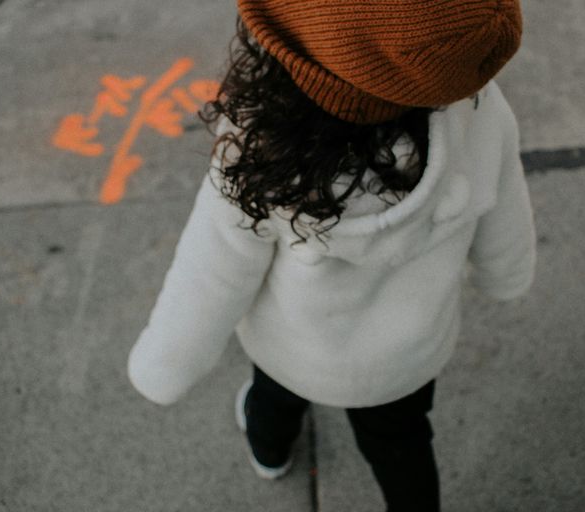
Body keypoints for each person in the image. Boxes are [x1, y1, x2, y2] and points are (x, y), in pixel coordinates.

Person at [127, 1, 532, 510]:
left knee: (271, 402)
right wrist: (506, 275)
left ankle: (270, 453)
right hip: (404, 358)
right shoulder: (478, 110)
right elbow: (505, 201)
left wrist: (165, 365)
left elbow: (211, 274)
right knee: (401, 445)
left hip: (294, 348)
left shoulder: (260, 149)